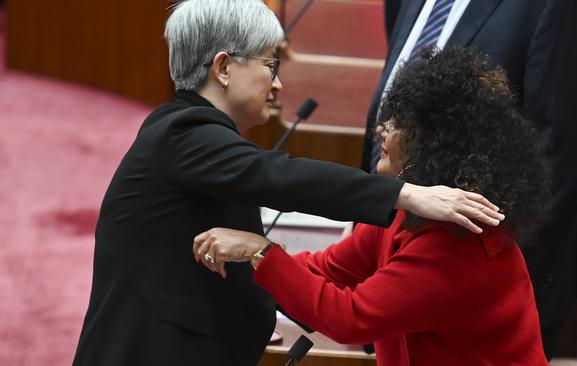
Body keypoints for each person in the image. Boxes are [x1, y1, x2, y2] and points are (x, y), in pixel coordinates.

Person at [70, 1, 504, 366]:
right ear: (223, 67)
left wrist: (251, 312)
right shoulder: (182, 134)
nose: (277, 82)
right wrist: (408, 194)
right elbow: (281, 176)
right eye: (269, 64)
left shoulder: (193, 135)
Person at [193, 46, 551, 366]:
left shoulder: (457, 244)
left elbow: (349, 318)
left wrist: (260, 251)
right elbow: (329, 268)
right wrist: (239, 269)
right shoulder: (405, 212)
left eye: (401, 124)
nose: (383, 128)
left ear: (436, 147)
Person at [361, 0, 577, 358]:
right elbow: (403, 87)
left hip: (479, 293)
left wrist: (482, 280)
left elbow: (561, 149)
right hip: (395, 252)